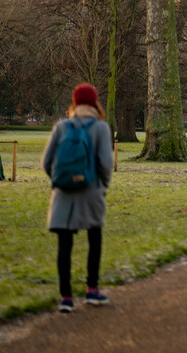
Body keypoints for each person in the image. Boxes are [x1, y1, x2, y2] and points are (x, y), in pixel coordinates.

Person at [41, 83, 114, 313]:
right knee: (95, 238)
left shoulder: (62, 127)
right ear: (94, 102)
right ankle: (92, 290)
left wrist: (60, 180)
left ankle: (66, 297)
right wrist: (102, 187)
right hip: (91, 191)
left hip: (63, 194)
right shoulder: (101, 128)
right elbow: (106, 164)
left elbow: (46, 162)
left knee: (65, 244)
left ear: (74, 102)